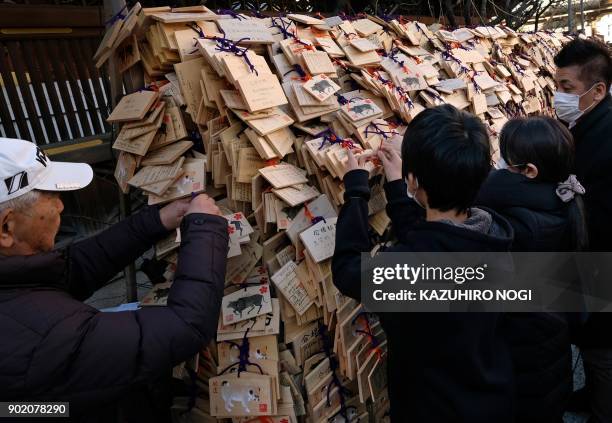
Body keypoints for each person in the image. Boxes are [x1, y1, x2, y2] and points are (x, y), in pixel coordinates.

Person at [0, 138, 229, 421]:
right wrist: (205, 228)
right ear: (6, 228)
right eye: (50, 196)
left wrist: (156, 221)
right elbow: (185, 326)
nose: (60, 206)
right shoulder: (49, 338)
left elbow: (72, 269)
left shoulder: (14, 276)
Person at [332, 105, 515, 422]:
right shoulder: (494, 235)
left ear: (414, 180)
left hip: (433, 407)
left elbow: (348, 271)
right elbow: (433, 239)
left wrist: (356, 193)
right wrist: (399, 189)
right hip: (490, 394)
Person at [476, 116, 587, 423]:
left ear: (529, 171)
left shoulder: (521, 227)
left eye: (504, 158)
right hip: (548, 359)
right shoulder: (557, 203)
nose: (497, 165)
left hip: (524, 370)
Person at [553, 38, 612, 423]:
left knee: (601, 343)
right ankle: (592, 394)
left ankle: (603, 408)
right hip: (591, 254)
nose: (559, 97)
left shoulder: (606, 138)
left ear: (598, 90)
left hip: (601, 258)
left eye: (567, 89)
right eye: (556, 86)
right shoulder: (587, 121)